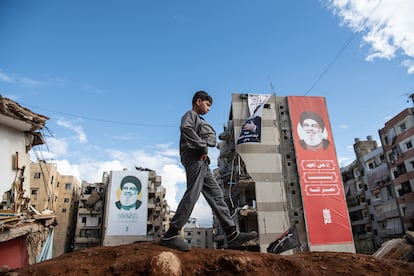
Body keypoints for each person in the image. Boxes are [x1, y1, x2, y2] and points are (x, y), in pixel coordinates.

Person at [160, 91, 257, 251]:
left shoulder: (200, 120)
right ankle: (171, 234)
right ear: (198, 101)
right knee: (193, 194)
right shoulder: (190, 115)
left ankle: (232, 234)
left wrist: (204, 145)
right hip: (195, 160)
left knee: (217, 195)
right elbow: (186, 128)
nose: (209, 108)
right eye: (207, 104)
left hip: (204, 163)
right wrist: (202, 145)